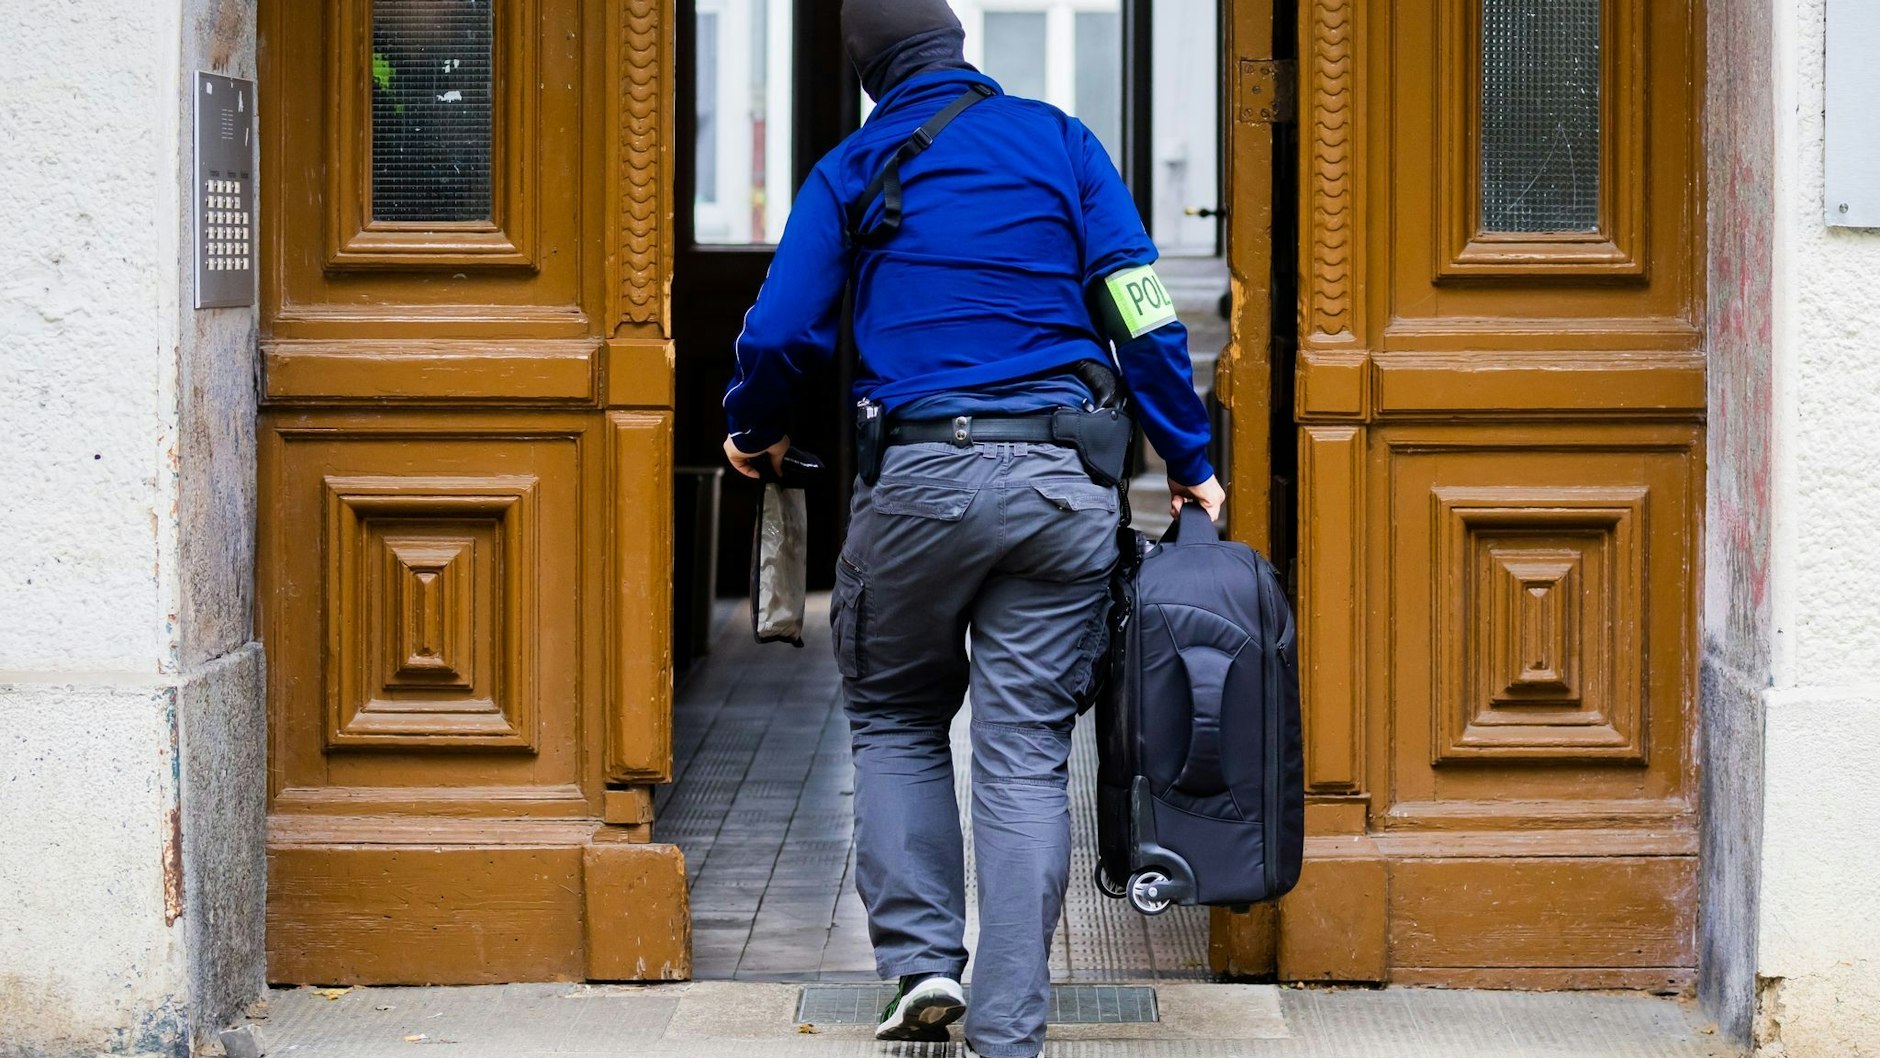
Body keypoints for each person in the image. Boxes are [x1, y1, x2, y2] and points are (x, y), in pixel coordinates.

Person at [721, 2, 1224, 1054]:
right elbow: (1140, 309)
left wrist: (752, 430)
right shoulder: (1059, 141)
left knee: (896, 717)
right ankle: (1010, 1028)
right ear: (958, 47)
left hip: (916, 483)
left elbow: (777, 332)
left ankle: (921, 967)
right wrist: (1189, 459)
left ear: (866, 73)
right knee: (1025, 752)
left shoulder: (853, 167)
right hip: (1060, 485)